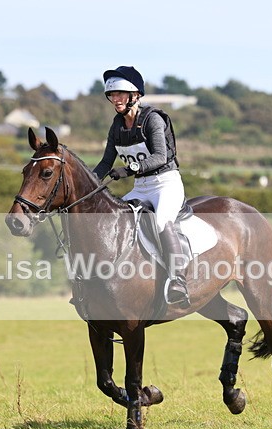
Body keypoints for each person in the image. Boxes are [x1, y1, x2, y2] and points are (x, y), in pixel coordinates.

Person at [92, 66, 190, 307]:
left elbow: (160, 156)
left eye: (120, 95)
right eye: (112, 95)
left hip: (165, 184)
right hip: (141, 187)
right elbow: (106, 162)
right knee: (115, 222)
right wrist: (88, 184)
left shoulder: (152, 119)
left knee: (159, 222)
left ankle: (178, 280)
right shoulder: (117, 126)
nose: (115, 99)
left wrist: (127, 170)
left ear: (135, 95)